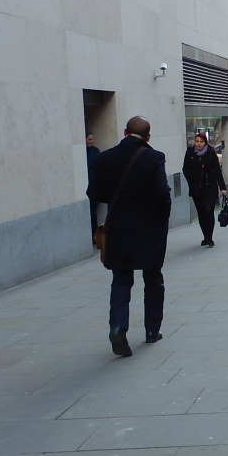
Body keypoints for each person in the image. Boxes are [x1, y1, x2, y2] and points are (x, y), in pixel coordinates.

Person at [87, 116, 171, 357]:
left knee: (121, 279)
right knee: (153, 277)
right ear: (148, 137)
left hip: (119, 227)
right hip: (149, 228)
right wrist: (162, 220)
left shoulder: (104, 158)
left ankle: (117, 327)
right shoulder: (154, 158)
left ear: (125, 132)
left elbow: (94, 193)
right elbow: (162, 195)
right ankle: (152, 330)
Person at [183, 132, 227, 246]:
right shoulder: (190, 152)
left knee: (208, 210)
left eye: (201, 142)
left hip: (210, 187)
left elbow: (217, 170)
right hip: (196, 188)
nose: (199, 144)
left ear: (205, 142)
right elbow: (185, 169)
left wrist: (222, 187)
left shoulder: (210, 152)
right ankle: (205, 236)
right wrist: (191, 181)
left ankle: (210, 237)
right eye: (197, 141)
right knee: (201, 213)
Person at [86, 132, 101, 242]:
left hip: (94, 183)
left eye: (92, 139)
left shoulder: (95, 151)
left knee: (93, 210)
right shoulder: (83, 152)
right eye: (89, 139)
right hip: (88, 183)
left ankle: (95, 234)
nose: (91, 141)